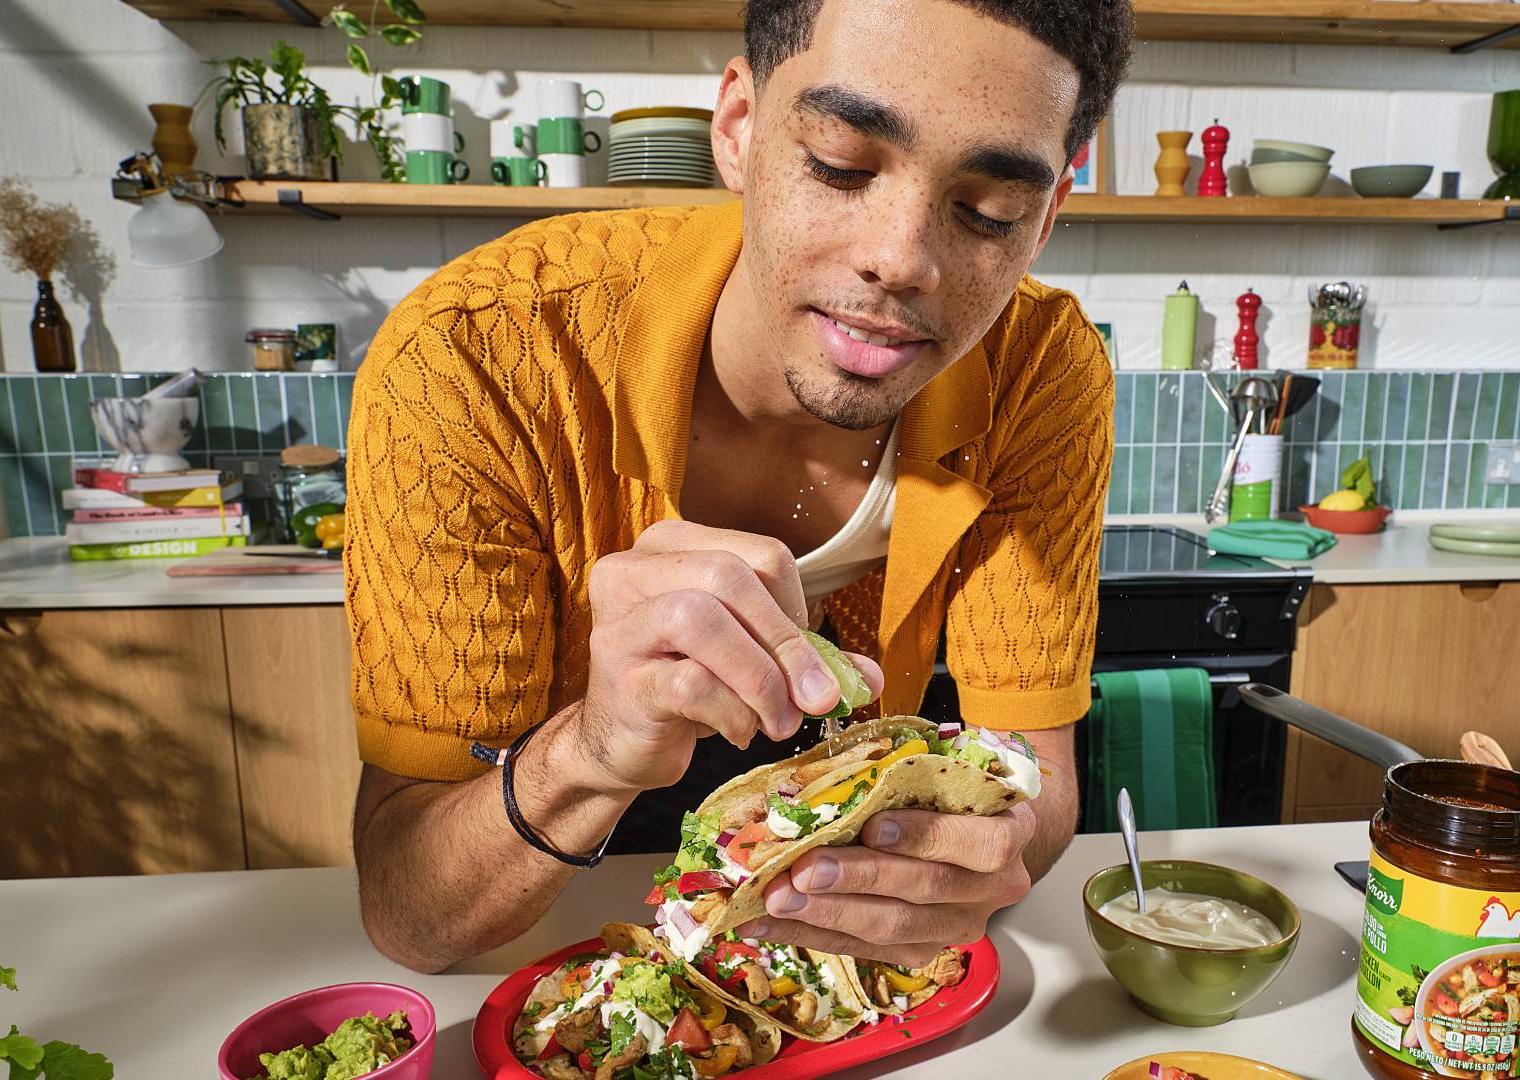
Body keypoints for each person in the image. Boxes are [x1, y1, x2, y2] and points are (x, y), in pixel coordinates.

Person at [345, 0, 1133, 974]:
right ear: (739, 127)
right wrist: (589, 751)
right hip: (551, 963)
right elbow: (411, 916)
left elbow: (1035, 779)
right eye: (841, 164)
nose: (903, 260)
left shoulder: (1041, 370)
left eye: (990, 213)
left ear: (1045, 220)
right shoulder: (476, 358)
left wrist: (981, 856)